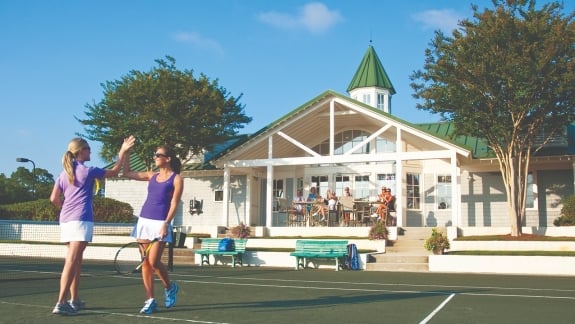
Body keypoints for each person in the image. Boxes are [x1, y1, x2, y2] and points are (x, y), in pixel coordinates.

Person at [50, 136, 135, 315]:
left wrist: (66, 207)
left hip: (66, 221)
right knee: (72, 261)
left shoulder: (63, 174)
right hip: (81, 220)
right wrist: (122, 152)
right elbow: (115, 171)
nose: (90, 151)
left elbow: (54, 199)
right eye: (88, 148)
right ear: (80, 151)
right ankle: (61, 302)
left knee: (76, 262)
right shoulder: (87, 171)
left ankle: (75, 300)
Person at [122, 142, 183, 314]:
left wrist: (166, 223)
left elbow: (174, 203)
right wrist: (126, 152)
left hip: (160, 223)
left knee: (153, 261)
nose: (155, 157)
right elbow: (126, 173)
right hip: (143, 222)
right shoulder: (152, 175)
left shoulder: (177, 179)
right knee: (145, 263)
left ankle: (170, 287)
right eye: (155, 155)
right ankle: (150, 300)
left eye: (158, 155)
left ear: (167, 159)